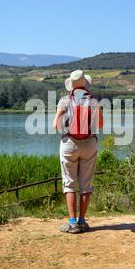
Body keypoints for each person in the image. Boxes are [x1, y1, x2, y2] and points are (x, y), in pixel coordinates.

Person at [52, 70, 104, 234]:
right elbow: (100, 125)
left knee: (69, 183)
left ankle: (72, 222)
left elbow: (56, 125)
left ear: (71, 85)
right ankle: (82, 221)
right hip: (89, 144)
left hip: (69, 143)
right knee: (86, 184)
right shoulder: (93, 101)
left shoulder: (64, 101)